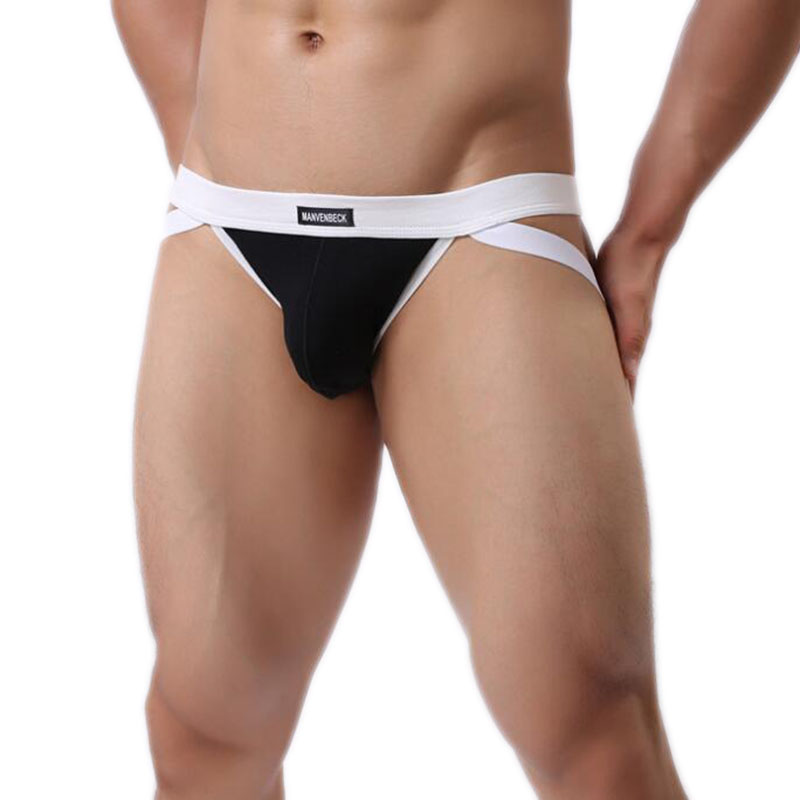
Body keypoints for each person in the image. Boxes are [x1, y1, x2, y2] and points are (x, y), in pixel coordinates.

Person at [112, 1, 800, 797]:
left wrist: (649, 233)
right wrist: (196, 131)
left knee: (587, 721)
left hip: (478, 217)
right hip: (228, 221)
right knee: (203, 734)